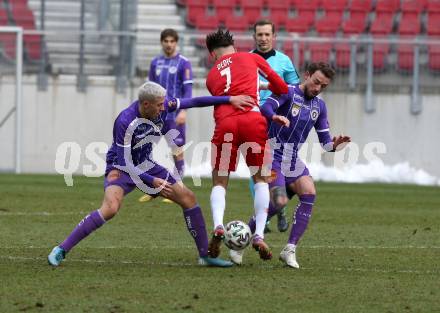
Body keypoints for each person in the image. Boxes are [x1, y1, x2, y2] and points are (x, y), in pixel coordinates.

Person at [47, 81, 255, 268]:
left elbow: (195, 101)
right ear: (146, 105)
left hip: (146, 165)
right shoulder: (125, 121)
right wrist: (151, 181)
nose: (164, 107)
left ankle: (205, 256)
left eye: (164, 103)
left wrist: (229, 99)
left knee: (188, 198)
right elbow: (123, 161)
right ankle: (61, 249)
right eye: (159, 104)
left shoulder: (163, 107)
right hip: (121, 167)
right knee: (110, 207)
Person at [230, 62, 351, 267]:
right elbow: (267, 106)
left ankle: (290, 249)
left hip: (292, 158)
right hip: (270, 154)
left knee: (309, 192)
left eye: (323, 86)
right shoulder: (287, 92)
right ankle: (240, 244)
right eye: (316, 82)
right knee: (279, 202)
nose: (318, 88)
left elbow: (325, 142)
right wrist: (273, 116)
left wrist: (334, 145)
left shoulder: (319, 107)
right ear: (307, 76)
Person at [204, 28, 289, 261]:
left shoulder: (211, 76)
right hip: (253, 120)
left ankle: (219, 225)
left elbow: (226, 91)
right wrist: (265, 87)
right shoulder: (252, 58)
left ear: (213, 55)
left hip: (225, 125)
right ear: (233, 45)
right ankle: (259, 234)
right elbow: (281, 88)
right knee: (261, 180)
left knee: (220, 182)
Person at [250, 19, 301, 233]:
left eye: (266, 34)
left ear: (274, 37)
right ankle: (266, 215)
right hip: (253, 118)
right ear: (254, 37)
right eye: (259, 35)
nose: (263, 38)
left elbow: (295, 88)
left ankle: (277, 208)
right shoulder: (246, 60)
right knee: (256, 169)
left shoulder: (284, 61)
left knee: (275, 166)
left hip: (277, 121)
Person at [139, 28, 192, 203]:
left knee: (177, 152)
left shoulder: (184, 63)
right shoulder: (155, 63)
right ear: (161, 42)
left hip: (173, 116)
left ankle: (178, 189)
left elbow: (188, 90)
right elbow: (149, 89)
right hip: (155, 116)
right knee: (144, 150)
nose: (169, 44)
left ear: (176, 43)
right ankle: (153, 189)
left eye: (172, 41)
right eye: (166, 41)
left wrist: (183, 111)